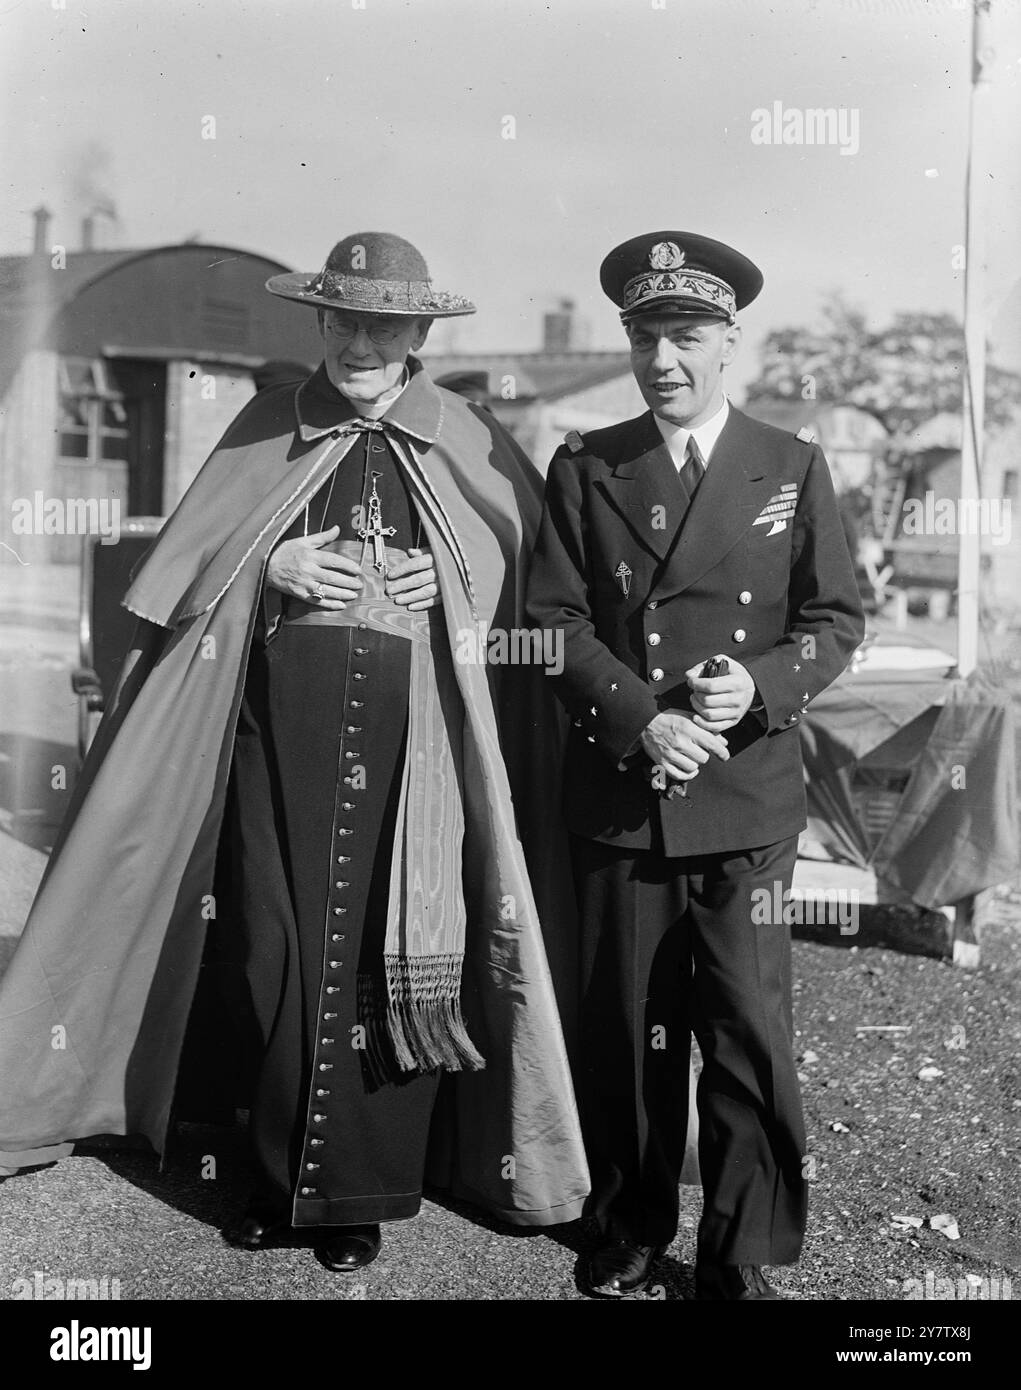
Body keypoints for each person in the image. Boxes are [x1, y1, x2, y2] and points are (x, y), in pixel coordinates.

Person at [0, 232, 589, 1272]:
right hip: (277, 731)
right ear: (320, 319)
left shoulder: (469, 434)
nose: (360, 343)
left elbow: (527, 580)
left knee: (380, 952)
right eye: (344, 320)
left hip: (416, 744)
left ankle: (357, 1199)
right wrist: (267, 563)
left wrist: (459, 584)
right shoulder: (267, 422)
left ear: (418, 332)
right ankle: (272, 1180)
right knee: (272, 945)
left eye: (383, 326)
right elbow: (184, 568)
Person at [527, 230, 865, 1299]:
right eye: (644, 338)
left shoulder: (790, 463)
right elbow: (548, 624)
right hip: (623, 794)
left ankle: (741, 1250)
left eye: (684, 336)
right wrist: (640, 719)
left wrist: (756, 688)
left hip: (745, 797)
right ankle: (628, 1224)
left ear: (728, 341)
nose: (662, 360)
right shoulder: (587, 464)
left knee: (746, 1027)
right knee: (628, 1030)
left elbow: (835, 617)